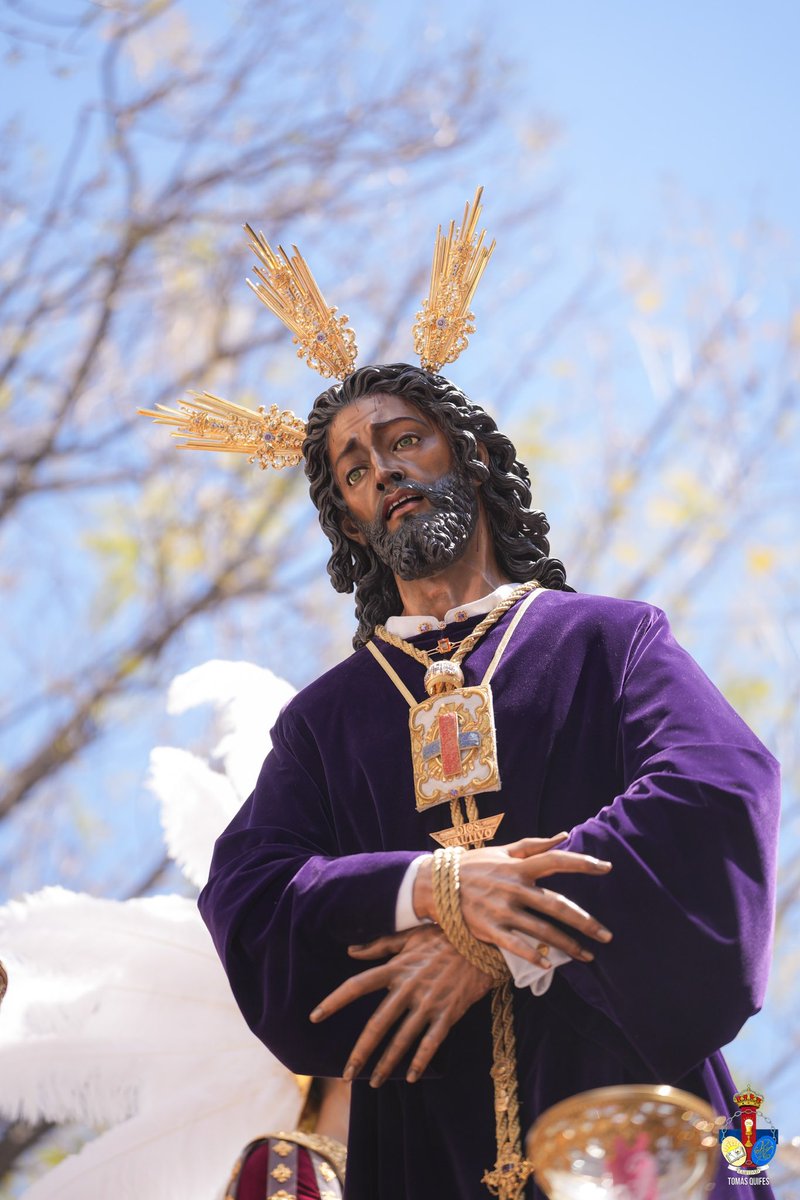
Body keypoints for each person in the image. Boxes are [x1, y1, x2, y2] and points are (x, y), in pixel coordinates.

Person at [198, 362, 780, 1200]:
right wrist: (431, 888)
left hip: (623, 1111)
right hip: (427, 1142)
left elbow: (716, 788)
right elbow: (251, 900)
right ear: (351, 522)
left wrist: (501, 940)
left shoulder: (607, 641)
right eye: (354, 472)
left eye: (406, 440)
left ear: (469, 456)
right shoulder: (324, 725)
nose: (383, 471)